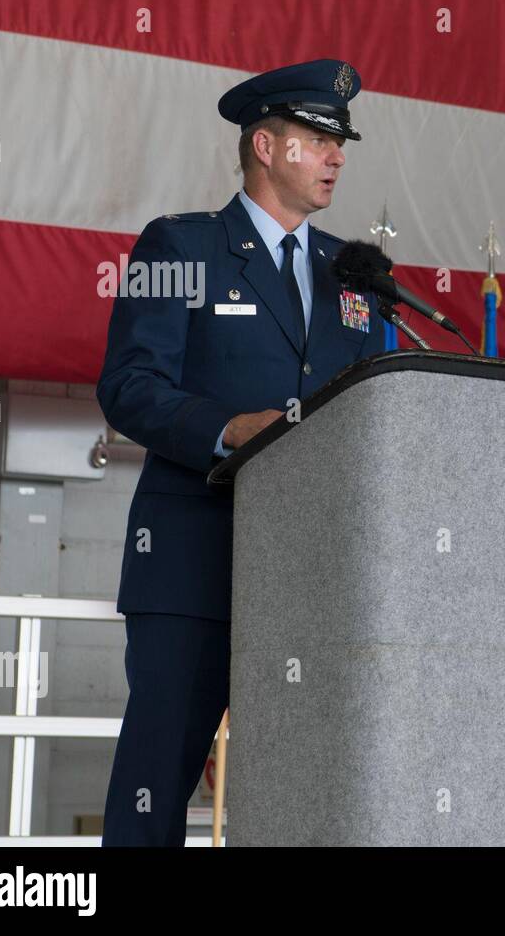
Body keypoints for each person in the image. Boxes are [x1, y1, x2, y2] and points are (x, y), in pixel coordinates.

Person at [97, 59, 384, 845]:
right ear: (265, 145)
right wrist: (230, 430)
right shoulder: (181, 245)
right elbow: (129, 386)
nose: (337, 157)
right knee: (158, 779)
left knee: (306, 784)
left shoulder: (351, 274)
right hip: (193, 562)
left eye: (340, 143)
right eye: (318, 140)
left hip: (313, 577)